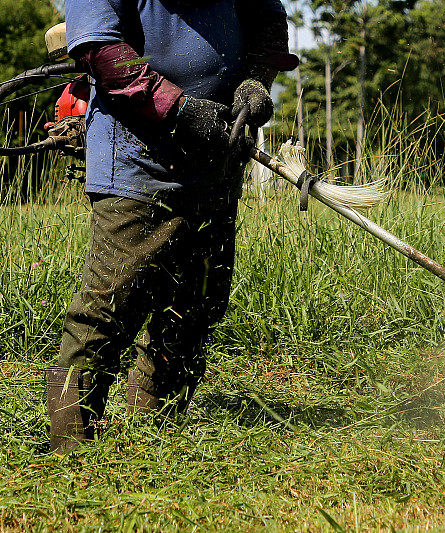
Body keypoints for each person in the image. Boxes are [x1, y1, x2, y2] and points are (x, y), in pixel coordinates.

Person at [46, 0, 298, 454]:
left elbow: (265, 17)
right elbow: (102, 48)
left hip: (218, 156)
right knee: (109, 307)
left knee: (196, 304)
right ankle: (72, 453)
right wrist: (179, 109)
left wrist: (257, 79)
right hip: (139, 160)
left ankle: (159, 436)